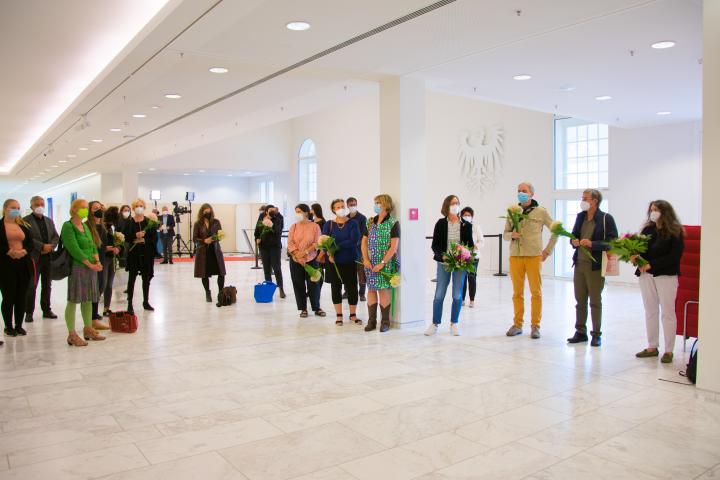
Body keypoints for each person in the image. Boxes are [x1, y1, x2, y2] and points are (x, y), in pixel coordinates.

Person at [503, 182, 557, 339]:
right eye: (519, 191)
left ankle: (535, 326)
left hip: (533, 256)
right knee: (517, 293)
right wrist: (511, 235)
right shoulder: (513, 211)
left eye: (524, 191)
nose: (521, 193)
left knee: (536, 292)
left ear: (532, 194)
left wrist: (548, 250)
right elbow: (505, 234)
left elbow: (556, 230)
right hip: (515, 256)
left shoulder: (541, 212)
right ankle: (517, 324)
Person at [635, 200, 685, 364]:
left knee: (668, 312)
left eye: (656, 209)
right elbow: (640, 248)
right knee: (650, 311)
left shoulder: (675, 231)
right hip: (646, 275)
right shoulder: (648, 229)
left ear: (665, 212)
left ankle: (669, 350)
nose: (652, 212)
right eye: (651, 209)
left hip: (666, 275)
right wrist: (635, 257)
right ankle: (652, 346)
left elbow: (674, 256)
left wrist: (652, 264)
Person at [567, 189, 618, 347]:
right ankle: (580, 331)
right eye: (582, 198)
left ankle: (596, 334)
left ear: (595, 201)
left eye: (585, 198)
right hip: (580, 264)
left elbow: (613, 242)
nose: (582, 200)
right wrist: (574, 241)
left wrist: (593, 244)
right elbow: (574, 235)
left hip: (595, 266)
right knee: (579, 300)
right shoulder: (580, 216)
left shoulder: (605, 218)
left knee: (595, 301)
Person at [426, 195, 474, 336]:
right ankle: (435, 324)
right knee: (439, 295)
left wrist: (464, 254)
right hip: (443, 263)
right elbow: (434, 245)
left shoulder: (466, 225)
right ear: (447, 205)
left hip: (460, 264)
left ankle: (454, 323)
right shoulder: (440, 223)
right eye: (453, 203)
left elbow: (470, 246)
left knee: (457, 295)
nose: (455, 205)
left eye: (457, 203)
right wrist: (443, 257)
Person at [60, 199, 105, 346]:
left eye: (87, 208)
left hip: (90, 267)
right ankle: (72, 334)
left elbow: (92, 245)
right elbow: (74, 249)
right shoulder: (68, 226)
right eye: (83, 208)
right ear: (74, 209)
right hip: (78, 267)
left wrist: (97, 261)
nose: (86, 210)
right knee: (73, 300)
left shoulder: (84, 226)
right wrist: (90, 264)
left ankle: (88, 329)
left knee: (88, 299)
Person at [361, 194, 399, 332]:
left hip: (385, 263)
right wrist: (365, 259)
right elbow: (364, 242)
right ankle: (371, 322)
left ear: (385, 205)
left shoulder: (393, 222)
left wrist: (382, 263)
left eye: (378, 203)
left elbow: (394, 247)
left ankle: (385, 322)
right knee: (371, 289)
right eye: (375, 202)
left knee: (383, 290)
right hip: (370, 263)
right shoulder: (370, 222)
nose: (375, 205)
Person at [321, 199, 362, 325]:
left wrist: (335, 247)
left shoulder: (353, 223)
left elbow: (353, 240)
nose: (341, 208)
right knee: (336, 287)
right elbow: (324, 240)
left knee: (352, 287)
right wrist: (328, 251)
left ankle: (353, 314)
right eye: (337, 207)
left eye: (342, 206)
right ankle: (339, 315)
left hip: (349, 260)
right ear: (333, 209)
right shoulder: (329, 224)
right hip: (333, 262)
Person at [1, 199, 34, 340]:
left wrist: (24, 251)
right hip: (6, 265)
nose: (16, 209)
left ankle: (19, 325)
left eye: (18, 207)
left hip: (23, 264)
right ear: (5, 208)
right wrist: (9, 252)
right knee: (9, 297)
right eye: (13, 207)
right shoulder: (1, 225)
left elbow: (31, 243)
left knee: (21, 296)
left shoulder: (23, 225)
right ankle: (8, 326)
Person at [23, 195, 59, 322]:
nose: (40, 206)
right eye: (37, 204)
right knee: (32, 286)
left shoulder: (49, 220)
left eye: (42, 204)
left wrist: (51, 246)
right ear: (31, 206)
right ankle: (29, 312)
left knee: (47, 285)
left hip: (48, 258)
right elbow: (27, 239)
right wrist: (41, 246)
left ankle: (47, 310)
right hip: (34, 258)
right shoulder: (25, 221)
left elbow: (55, 236)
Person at [287, 204, 325, 317]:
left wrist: (305, 253)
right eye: (296, 211)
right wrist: (296, 255)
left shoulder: (315, 226)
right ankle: (303, 308)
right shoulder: (293, 226)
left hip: (311, 259)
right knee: (298, 284)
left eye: (299, 211)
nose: (297, 214)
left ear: (306, 213)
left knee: (314, 284)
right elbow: (290, 243)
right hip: (296, 260)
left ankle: (317, 307)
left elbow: (317, 243)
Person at [123, 198, 158, 313]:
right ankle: (129, 304)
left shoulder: (149, 222)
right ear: (133, 208)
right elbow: (125, 237)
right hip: (134, 255)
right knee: (131, 279)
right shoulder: (129, 222)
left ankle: (146, 302)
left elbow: (154, 238)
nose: (139, 207)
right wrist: (135, 235)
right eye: (137, 206)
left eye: (141, 205)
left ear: (144, 207)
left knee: (146, 279)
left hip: (146, 255)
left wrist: (145, 240)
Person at [193, 203, 227, 303]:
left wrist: (217, 237)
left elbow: (221, 235)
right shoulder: (198, 223)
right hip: (203, 252)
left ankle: (221, 292)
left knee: (221, 273)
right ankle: (207, 292)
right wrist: (204, 240)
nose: (208, 213)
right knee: (204, 274)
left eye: (209, 211)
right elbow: (194, 239)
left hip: (215, 250)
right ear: (202, 212)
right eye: (206, 211)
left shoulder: (216, 222)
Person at [254, 204, 286, 298]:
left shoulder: (278, 219)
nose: (272, 211)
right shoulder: (261, 218)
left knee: (276, 268)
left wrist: (270, 225)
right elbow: (256, 232)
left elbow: (278, 232)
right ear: (266, 211)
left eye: (274, 210)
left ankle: (281, 288)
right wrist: (257, 239)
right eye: (270, 210)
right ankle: (269, 288)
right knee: (266, 269)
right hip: (263, 247)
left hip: (274, 247)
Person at [88, 201, 111, 329]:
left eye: (100, 208)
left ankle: (94, 314)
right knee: (94, 289)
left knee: (100, 287)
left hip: (102, 260)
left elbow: (102, 245)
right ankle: (91, 317)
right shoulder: (88, 226)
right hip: (92, 262)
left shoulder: (102, 226)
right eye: (95, 208)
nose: (98, 210)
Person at [460, 207, 484, 308]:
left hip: (474, 256)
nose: (467, 217)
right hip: (461, 256)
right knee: (462, 278)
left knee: (472, 277)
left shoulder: (476, 226)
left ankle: (472, 300)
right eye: (465, 215)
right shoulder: (459, 226)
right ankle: (462, 299)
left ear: (472, 216)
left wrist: (476, 246)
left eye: (469, 215)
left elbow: (481, 241)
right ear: (461, 216)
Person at [346, 197, 368, 302]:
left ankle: (362, 293)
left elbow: (364, 234)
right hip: (348, 251)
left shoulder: (362, 218)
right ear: (347, 206)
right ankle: (347, 291)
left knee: (361, 273)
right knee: (349, 272)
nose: (352, 206)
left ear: (357, 204)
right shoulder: (345, 218)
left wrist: (355, 243)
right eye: (350, 205)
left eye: (354, 204)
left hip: (359, 250)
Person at [102, 206, 122, 317]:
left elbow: (117, 241)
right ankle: (97, 309)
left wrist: (118, 248)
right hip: (104, 258)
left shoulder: (113, 227)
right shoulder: (102, 227)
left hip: (112, 258)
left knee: (109, 284)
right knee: (103, 283)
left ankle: (106, 308)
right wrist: (107, 248)